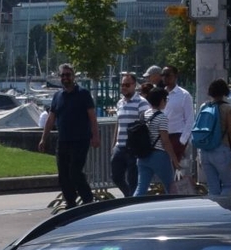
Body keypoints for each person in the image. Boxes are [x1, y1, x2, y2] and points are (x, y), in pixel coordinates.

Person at [38, 63, 98, 207]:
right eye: (63, 75)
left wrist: (95, 136)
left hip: (81, 140)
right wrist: (43, 139)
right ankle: (71, 202)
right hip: (63, 140)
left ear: (73, 76)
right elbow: (51, 119)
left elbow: (92, 117)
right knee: (63, 175)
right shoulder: (58, 96)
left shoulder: (83, 93)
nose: (65, 77)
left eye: (68, 75)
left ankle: (88, 200)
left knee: (75, 172)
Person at [193, 78, 231, 200]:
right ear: (224, 92)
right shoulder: (227, 109)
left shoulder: (204, 106)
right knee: (228, 185)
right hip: (221, 150)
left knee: (213, 188)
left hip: (204, 151)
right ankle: (225, 211)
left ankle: (215, 212)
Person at [153, 65, 195, 193]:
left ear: (175, 77)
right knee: (165, 170)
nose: (165, 78)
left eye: (168, 75)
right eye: (163, 75)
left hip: (177, 136)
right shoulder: (160, 93)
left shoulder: (184, 95)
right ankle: (169, 194)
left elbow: (190, 119)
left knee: (178, 170)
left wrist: (183, 140)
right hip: (162, 137)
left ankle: (182, 195)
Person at [111, 73, 152, 197]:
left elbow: (145, 125)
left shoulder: (142, 103)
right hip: (120, 146)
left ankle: (133, 202)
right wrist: (113, 145)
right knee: (116, 177)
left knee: (133, 179)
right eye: (122, 85)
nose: (124, 87)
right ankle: (129, 196)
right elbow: (118, 124)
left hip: (134, 148)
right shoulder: (120, 103)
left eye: (127, 85)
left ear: (134, 85)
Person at [136, 73, 173, 196]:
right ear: (162, 100)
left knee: (141, 188)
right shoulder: (162, 117)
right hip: (159, 156)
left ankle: (133, 208)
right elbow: (165, 141)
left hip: (143, 156)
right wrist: (175, 160)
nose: (166, 101)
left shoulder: (144, 115)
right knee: (170, 187)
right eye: (165, 99)